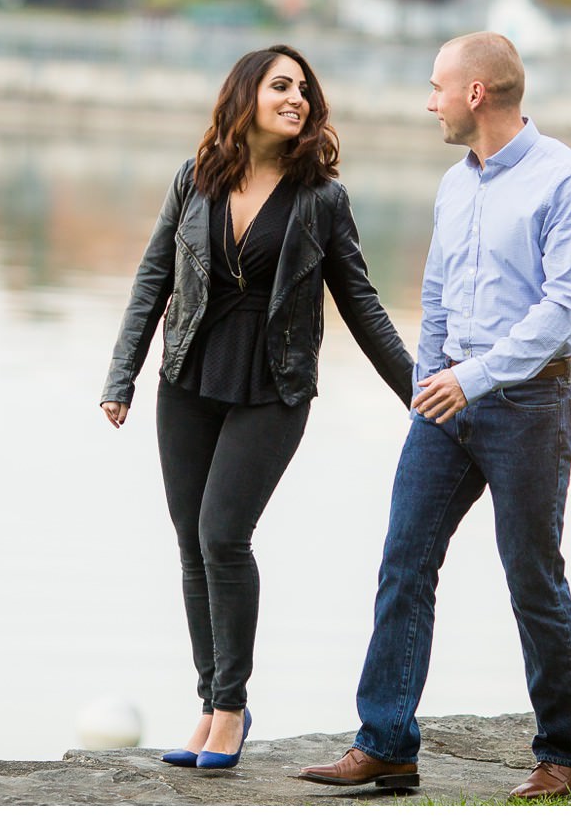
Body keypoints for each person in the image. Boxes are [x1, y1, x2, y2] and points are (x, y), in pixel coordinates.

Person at [297, 31, 571, 800]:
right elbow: (436, 292)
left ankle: (564, 757)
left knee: (532, 577)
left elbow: (560, 308)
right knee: (405, 562)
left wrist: (471, 379)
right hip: (447, 402)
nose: (428, 99)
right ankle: (387, 743)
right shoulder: (454, 183)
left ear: (477, 93)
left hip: (532, 403)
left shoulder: (566, 183)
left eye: (437, 85)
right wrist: (429, 378)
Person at [101, 44, 414, 771]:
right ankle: (208, 703)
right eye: (281, 86)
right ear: (245, 97)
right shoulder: (195, 178)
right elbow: (153, 278)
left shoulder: (321, 200)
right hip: (187, 378)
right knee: (190, 542)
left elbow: (362, 304)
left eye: (304, 89)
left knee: (222, 535)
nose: (297, 98)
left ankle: (234, 709)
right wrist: (123, 376)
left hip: (273, 387)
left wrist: (419, 391)